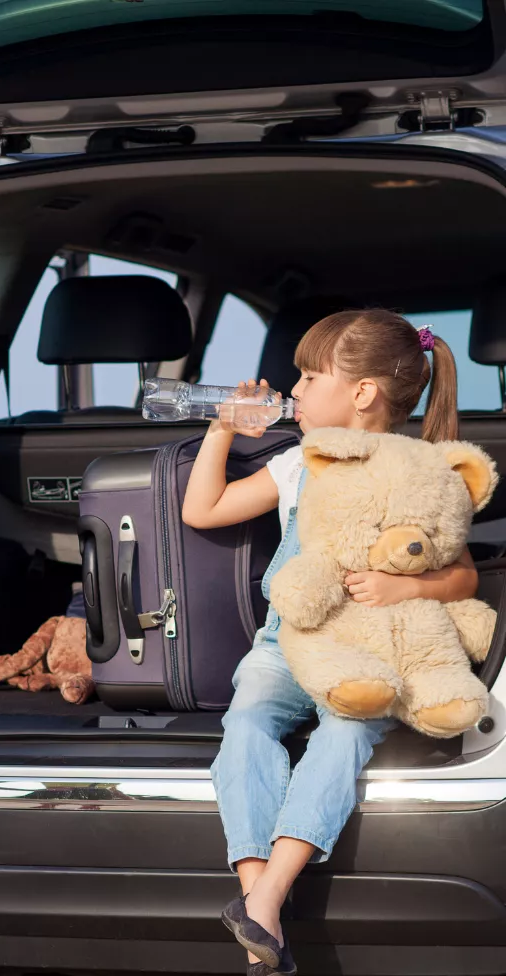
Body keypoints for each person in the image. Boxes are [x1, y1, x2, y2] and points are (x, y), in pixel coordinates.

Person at [181, 310, 478, 975]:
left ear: (363, 393)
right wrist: (220, 428)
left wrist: (404, 590)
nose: (296, 389)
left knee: (343, 736)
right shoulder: (298, 464)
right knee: (247, 724)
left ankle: (265, 897)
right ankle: (260, 912)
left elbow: (461, 576)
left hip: (371, 654)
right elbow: (202, 510)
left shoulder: (423, 470)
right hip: (287, 644)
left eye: (310, 376)